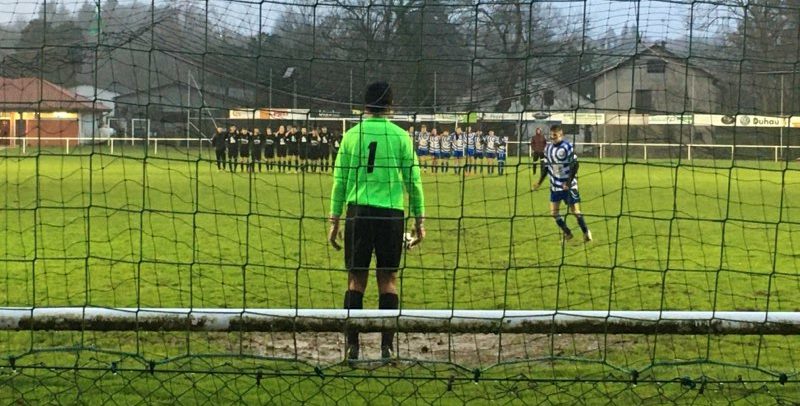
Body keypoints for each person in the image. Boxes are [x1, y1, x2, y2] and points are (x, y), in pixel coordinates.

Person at [328, 81, 426, 362]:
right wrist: (419, 220)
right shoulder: (400, 137)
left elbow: (340, 183)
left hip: (358, 213)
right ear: (390, 106)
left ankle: (352, 348)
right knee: (388, 280)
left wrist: (334, 220)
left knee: (355, 280)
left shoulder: (351, 136)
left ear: (365, 105)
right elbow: (414, 183)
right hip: (391, 214)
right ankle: (387, 348)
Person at [532, 125, 592, 243]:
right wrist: (539, 182)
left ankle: (586, 232)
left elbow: (575, 165)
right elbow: (546, 168)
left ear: (561, 135)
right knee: (554, 213)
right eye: (551, 134)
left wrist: (568, 182)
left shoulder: (567, 147)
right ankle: (568, 233)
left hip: (568, 185)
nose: (552, 137)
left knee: (574, 211)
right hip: (555, 186)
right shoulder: (548, 149)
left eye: (555, 135)